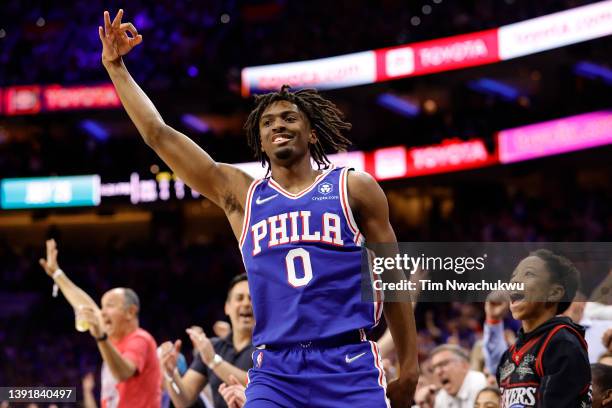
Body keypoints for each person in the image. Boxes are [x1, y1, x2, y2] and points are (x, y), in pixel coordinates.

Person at [98, 9, 418, 407]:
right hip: (275, 370)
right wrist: (116, 68)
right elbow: (158, 134)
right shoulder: (242, 195)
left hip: (347, 362)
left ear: (312, 132)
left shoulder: (354, 187)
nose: (277, 125)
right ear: (260, 141)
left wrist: (410, 367)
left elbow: (393, 278)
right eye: (267, 123)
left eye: (289, 117)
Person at [40, 239, 161, 408]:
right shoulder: (114, 339)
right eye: (102, 306)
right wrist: (57, 274)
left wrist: (101, 338)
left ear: (130, 312)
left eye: (110, 306)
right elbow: (86, 305)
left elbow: (123, 372)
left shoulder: (140, 339)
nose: (102, 312)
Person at [496, 249, 591, 407]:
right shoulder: (509, 355)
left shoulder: (562, 344)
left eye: (529, 274)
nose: (514, 282)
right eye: (513, 276)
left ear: (554, 293)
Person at [159, 274, 255, 408]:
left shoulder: (269, 348)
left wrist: (213, 361)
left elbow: (257, 385)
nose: (246, 303)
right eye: (239, 298)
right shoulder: (213, 347)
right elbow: (183, 400)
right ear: (227, 307)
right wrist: (171, 375)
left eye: (252, 299)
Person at [414, 344, 486, 408]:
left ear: (464, 365)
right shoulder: (442, 396)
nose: (438, 371)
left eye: (443, 364)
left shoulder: (481, 384)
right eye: (434, 368)